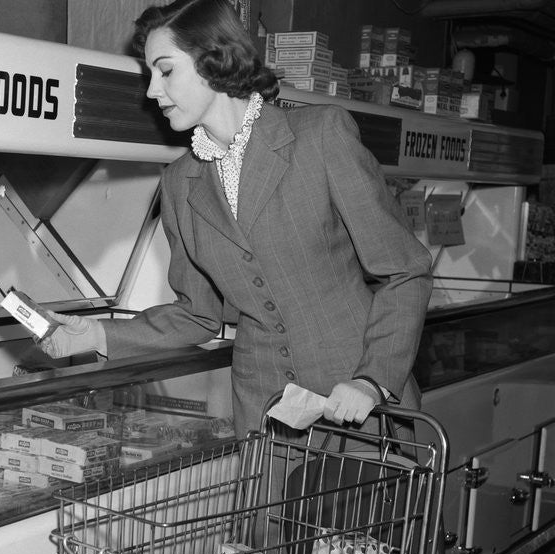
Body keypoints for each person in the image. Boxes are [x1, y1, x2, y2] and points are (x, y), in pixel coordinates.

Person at [39, 0, 433, 441]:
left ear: (213, 60)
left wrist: (373, 379)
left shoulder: (319, 137)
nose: (152, 91)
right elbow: (197, 315)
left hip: (359, 407)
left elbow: (405, 269)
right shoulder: (179, 183)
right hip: (268, 417)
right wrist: (96, 334)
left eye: (165, 71)